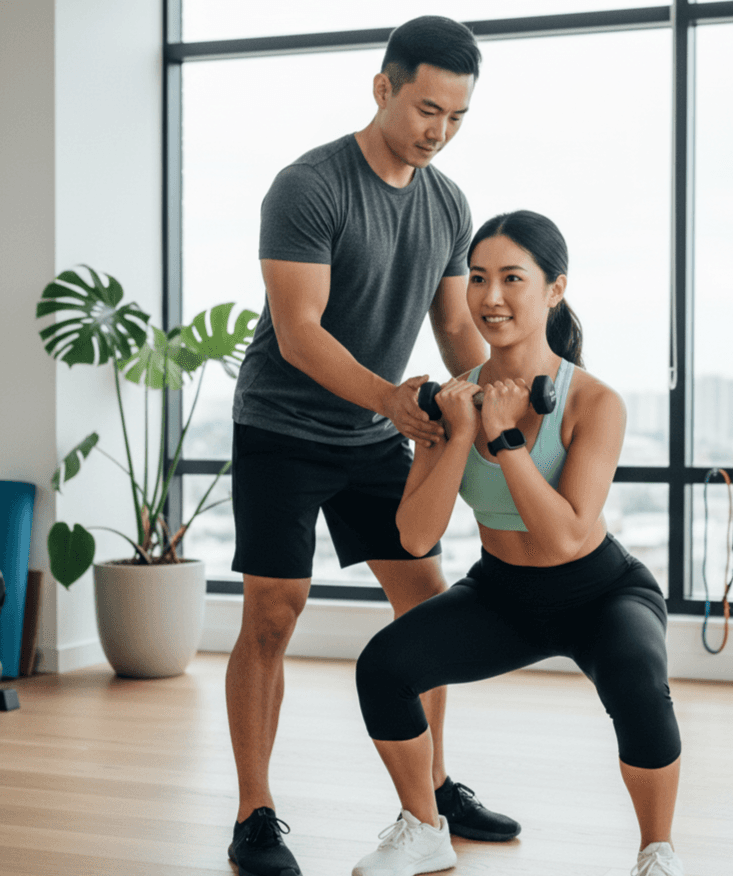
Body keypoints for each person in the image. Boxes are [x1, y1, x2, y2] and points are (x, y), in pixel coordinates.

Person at [226, 16, 521, 876]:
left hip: (372, 431)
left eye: (458, 117)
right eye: (428, 107)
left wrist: (507, 397)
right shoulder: (309, 186)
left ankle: (429, 792)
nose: (440, 130)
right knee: (274, 613)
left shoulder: (447, 202)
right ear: (383, 87)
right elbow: (298, 332)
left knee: (427, 604)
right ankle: (255, 812)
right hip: (282, 427)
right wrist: (394, 400)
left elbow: (454, 324)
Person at [353, 210, 685, 876]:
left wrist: (505, 441)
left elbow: (565, 535)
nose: (491, 297)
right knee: (382, 668)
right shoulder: (451, 399)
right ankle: (424, 828)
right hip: (503, 593)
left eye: (512, 278)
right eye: (477, 279)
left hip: (601, 590)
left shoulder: (595, 402)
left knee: (637, 682)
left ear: (554, 289)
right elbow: (415, 536)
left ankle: (657, 851)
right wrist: (458, 426)